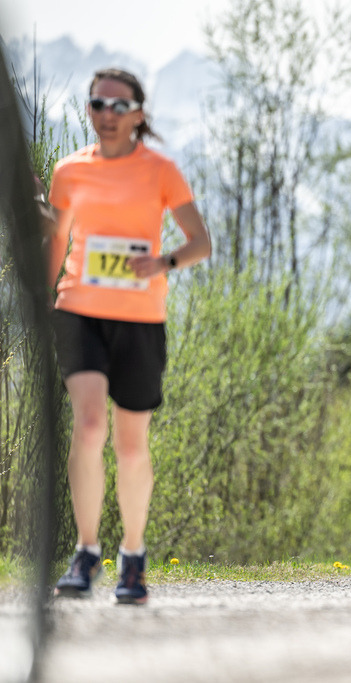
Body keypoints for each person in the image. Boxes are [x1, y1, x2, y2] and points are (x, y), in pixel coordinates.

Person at [48, 68, 212, 605]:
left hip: (141, 319)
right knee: (90, 425)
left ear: (139, 114)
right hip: (79, 310)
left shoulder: (160, 171)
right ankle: (87, 551)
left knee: (130, 443)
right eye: (98, 104)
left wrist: (162, 261)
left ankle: (133, 556)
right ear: (89, 111)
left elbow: (199, 243)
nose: (108, 114)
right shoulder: (68, 171)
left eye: (119, 106)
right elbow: (53, 245)